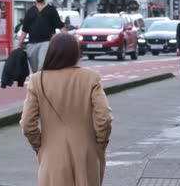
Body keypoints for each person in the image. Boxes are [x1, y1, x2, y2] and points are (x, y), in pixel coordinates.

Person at [20, 33, 113, 186]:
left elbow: (27, 124)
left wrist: (40, 147)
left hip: (52, 154)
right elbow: (105, 118)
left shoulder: (37, 80)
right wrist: (99, 144)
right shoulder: (91, 78)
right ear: (76, 53)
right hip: (87, 152)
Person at [18, 0, 67, 73]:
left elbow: (60, 25)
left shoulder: (51, 10)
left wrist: (68, 40)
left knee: (42, 67)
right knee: (35, 71)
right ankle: (38, 86)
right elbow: (25, 30)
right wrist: (19, 45)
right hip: (32, 44)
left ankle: (42, 84)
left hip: (47, 42)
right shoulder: (30, 11)